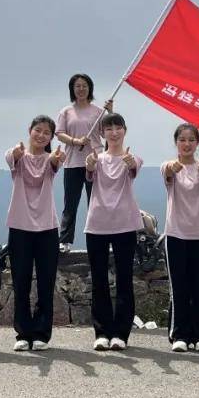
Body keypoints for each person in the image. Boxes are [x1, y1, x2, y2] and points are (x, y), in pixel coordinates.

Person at [6, 116, 67, 351]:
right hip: (20, 226)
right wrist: (17, 153)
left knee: (45, 282)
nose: (41, 135)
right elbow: (11, 157)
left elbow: (54, 164)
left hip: (47, 228)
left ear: (51, 138)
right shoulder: (17, 157)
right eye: (37, 130)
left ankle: (41, 333)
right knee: (20, 282)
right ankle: (22, 333)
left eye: (46, 133)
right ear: (29, 131)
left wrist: (54, 160)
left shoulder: (51, 159)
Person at [84, 113, 142, 351]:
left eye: (118, 128)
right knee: (98, 279)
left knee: (124, 279)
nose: (114, 132)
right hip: (97, 223)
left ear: (125, 130)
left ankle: (120, 333)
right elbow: (88, 174)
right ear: (103, 133)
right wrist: (88, 166)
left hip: (125, 224)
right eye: (109, 128)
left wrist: (130, 163)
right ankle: (101, 332)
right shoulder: (95, 159)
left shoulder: (133, 158)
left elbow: (134, 168)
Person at [162, 123, 199, 353]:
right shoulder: (168, 166)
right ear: (176, 143)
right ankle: (179, 335)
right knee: (180, 287)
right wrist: (173, 169)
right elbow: (167, 173)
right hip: (176, 234)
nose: (186, 144)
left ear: (198, 143)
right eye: (182, 139)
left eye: (191, 140)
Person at [55, 73, 112, 252]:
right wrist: (75, 141)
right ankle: (64, 241)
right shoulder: (66, 111)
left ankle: (101, 237)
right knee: (70, 203)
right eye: (77, 86)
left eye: (84, 85)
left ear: (90, 88)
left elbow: (109, 133)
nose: (81, 89)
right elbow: (59, 133)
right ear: (72, 89)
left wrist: (110, 112)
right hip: (73, 162)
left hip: (95, 162)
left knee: (97, 202)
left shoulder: (98, 112)